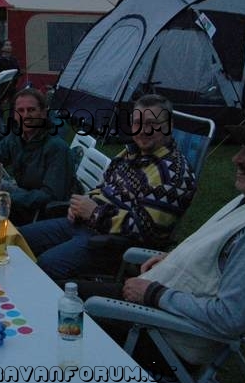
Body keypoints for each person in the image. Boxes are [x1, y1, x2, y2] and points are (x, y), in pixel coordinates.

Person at [111, 114, 245, 367]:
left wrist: (154, 293)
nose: (236, 158)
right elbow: (218, 257)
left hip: (162, 336)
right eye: (241, 150)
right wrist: (173, 259)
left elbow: (231, 317)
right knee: (71, 292)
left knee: (70, 308)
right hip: (151, 310)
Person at [18, 94, 196, 280]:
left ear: (169, 126)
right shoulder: (130, 153)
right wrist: (80, 206)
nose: (143, 130)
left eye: (152, 123)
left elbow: (147, 230)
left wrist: (95, 213)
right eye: (138, 123)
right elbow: (104, 187)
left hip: (111, 246)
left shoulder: (173, 174)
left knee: (45, 266)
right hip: (84, 224)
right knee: (17, 238)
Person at [0, 88, 74, 225]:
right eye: (20, 111)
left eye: (31, 110)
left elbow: (50, 196)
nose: (25, 115)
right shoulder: (17, 138)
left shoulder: (56, 148)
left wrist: (8, 198)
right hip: (23, 199)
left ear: (43, 113)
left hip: (42, 215)